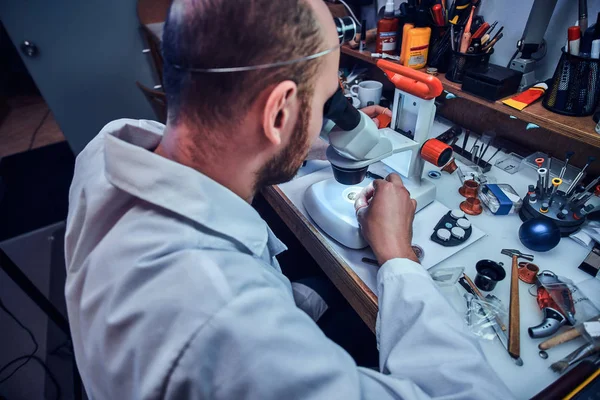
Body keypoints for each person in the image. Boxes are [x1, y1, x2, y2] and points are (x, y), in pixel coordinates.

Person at [64, 0, 513, 399]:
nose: (327, 117)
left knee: (326, 293)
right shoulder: (226, 327)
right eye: (325, 102)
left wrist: (307, 131)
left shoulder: (108, 151)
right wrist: (398, 256)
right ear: (277, 113)